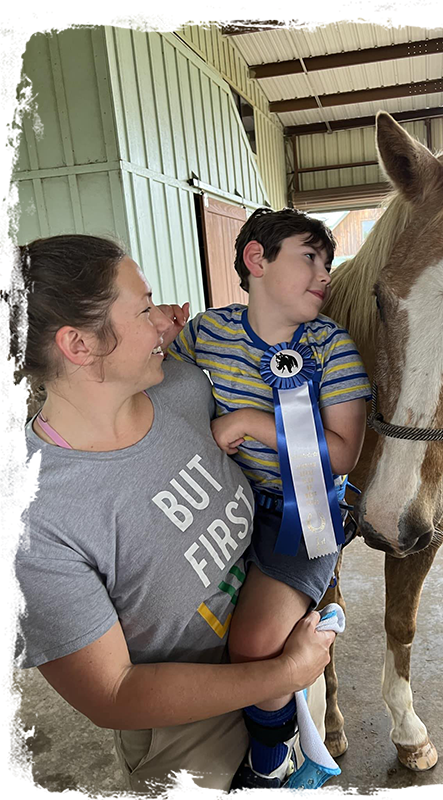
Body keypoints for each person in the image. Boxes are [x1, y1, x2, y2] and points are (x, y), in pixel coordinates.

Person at [0, 235, 337, 800]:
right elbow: (111, 693)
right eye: (144, 306)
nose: (165, 319)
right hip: (190, 738)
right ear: (79, 344)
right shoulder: (29, 516)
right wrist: (280, 674)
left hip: (285, 662)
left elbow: (301, 469)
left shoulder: (185, 388)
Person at [163, 208, 370, 799]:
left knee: (252, 644)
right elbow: (155, 386)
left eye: (327, 263)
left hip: (300, 512)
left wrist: (255, 420)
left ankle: (269, 761)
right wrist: (154, 337)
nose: (324, 274)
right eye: (310, 257)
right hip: (219, 502)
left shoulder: (331, 346)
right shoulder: (205, 333)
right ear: (257, 260)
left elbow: (344, 451)